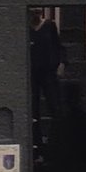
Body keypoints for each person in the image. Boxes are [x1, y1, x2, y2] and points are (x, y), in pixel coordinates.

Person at [29, 8, 63, 150]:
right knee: (33, 109)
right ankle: (37, 143)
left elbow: (57, 46)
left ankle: (58, 140)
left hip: (48, 70)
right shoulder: (26, 29)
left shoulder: (49, 26)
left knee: (54, 105)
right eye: (33, 13)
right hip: (31, 72)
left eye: (38, 12)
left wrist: (61, 63)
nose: (36, 15)